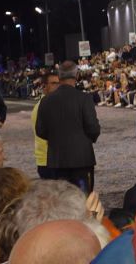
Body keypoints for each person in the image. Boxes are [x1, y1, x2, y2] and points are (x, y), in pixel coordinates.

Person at [34, 60, 100, 192]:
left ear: (59, 76)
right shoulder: (84, 99)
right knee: (83, 198)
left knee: (61, 199)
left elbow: (40, 131)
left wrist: (55, 139)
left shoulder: (45, 101)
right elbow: (93, 128)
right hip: (82, 160)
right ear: (76, 75)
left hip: (57, 160)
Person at [32, 71, 60, 179]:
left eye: (59, 83)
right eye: (53, 83)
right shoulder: (43, 107)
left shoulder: (53, 104)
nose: (58, 86)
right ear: (44, 87)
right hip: (49, 161)